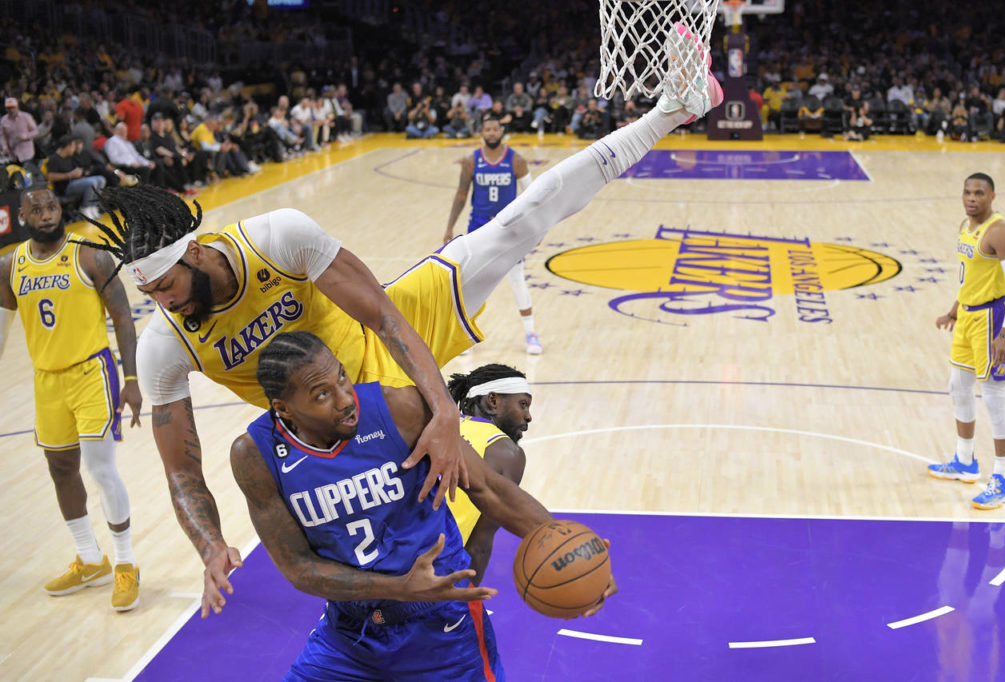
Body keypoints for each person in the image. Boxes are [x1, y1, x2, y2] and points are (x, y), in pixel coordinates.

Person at [75, 32, 722, 609]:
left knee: (516, 226)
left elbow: (384, 315)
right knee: (458, 500)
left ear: (192, 252)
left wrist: (444, 410)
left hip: (385, 335)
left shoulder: (276, 238)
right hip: (342, 418)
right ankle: (454, 597)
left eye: (166, 287)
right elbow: (182, 471)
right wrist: (209, 544)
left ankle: (673, 109)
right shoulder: (165, 345)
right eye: (150, 295)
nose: (164, 303)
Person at [228, 331, 612, 679]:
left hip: (441, 626)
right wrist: (399, 588)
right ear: (284, 409)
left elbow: (489, 488)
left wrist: (572, 548)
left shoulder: (400, 409)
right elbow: (299, 568)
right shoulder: (256, 456)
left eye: (342, 377)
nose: (346, 399)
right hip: (348, 633)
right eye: (322, 394)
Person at [0, 185, 143, 609]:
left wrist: (131, 378)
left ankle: (126, 563)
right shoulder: (10, 265)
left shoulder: (91, 256)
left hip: (92, 372)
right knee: (61, 468)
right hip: (46, 381)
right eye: (36, 210)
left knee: (100, 469)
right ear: (22, 217)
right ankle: (90, 559)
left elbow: (123, 317)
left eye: (51, 207)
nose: (46, 214)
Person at [930, 173, 1005, 510]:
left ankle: (1003, 478)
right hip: (967, 317)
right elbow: (969, 275)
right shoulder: (965, 227)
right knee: (958, 386)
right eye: (967, 192)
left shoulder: (1000, 231)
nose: (971, 198)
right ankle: (965, 461)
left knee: (994, 396)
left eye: (979, 193)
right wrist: (954, 311)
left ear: (992, 196)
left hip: (993, 319)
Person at [443, 114, 543, 354]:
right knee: (470, 282)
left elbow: (533, 197)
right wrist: (449, 227)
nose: (491, 133)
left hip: (509, 230)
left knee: (517, 280)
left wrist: (537, 228)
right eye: (487, 129)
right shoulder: (471, 161)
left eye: (495, 129)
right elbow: (461, 195)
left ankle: (531, 333)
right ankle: (463, 335)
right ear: (481, 133)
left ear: (501, 132)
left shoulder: (516, 160)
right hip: (478, 229)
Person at [447, 364, 531, 582]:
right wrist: (469, 594)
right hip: (438, 574)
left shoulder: (436, 424)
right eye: (523, 404)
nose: (528, 416)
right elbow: (479, 546)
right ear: (492, 401)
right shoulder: (506, 452)